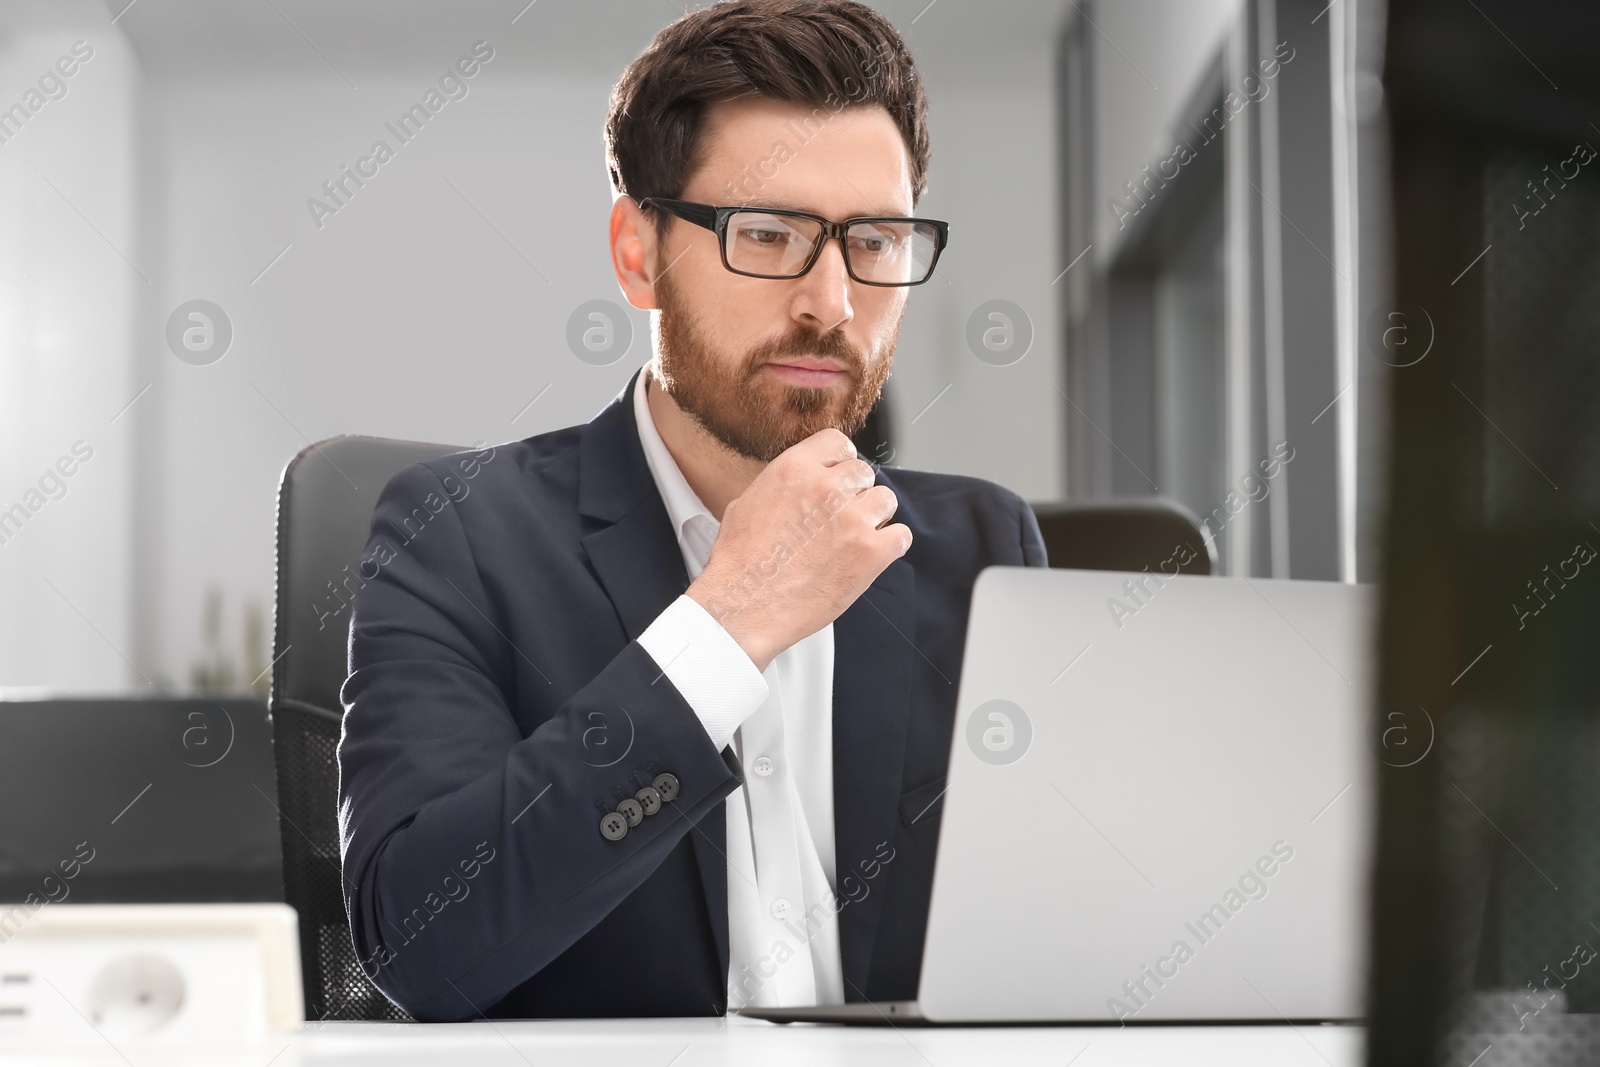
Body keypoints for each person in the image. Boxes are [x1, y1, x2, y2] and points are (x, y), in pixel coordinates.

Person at [337, 0, 1047, 1023]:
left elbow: (1057, 941)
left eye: (876, 240)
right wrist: (724, 627)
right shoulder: (455, 533)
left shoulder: (984, 548)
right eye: (767, 234)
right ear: (638, 253)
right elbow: (418, 946)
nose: (831, 301)